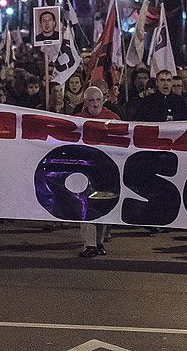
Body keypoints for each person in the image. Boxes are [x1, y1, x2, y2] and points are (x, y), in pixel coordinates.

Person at [76, 86, 119, 258]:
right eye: (91, 101)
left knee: (103, 204)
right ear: (85, 102)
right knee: (86, 206)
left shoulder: (113, 118)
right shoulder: (77, 119)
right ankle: (89, 244)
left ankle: (99, 242)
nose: (95, 104)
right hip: (85, 170)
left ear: (103, 100)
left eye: (98, 100)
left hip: (107, 170)